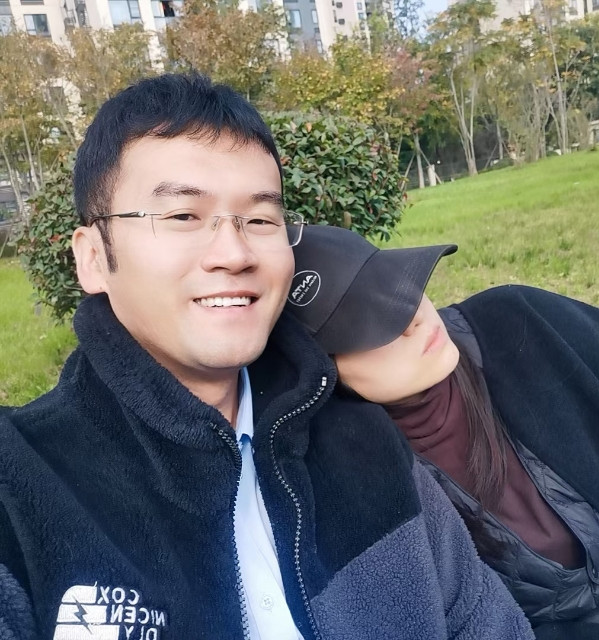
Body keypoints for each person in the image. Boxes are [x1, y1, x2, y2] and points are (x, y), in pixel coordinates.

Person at [0, 74, 533, 640]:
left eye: (260, 219)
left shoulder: (364, 443)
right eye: (182, 216)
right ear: (91, 258)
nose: (234, 253)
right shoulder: (21, 486)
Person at [287, 224, 599, 640]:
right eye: (373, 322)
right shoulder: (358, 484)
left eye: (397, 284)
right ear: (318, 373)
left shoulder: (524, 323)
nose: (414, 316)